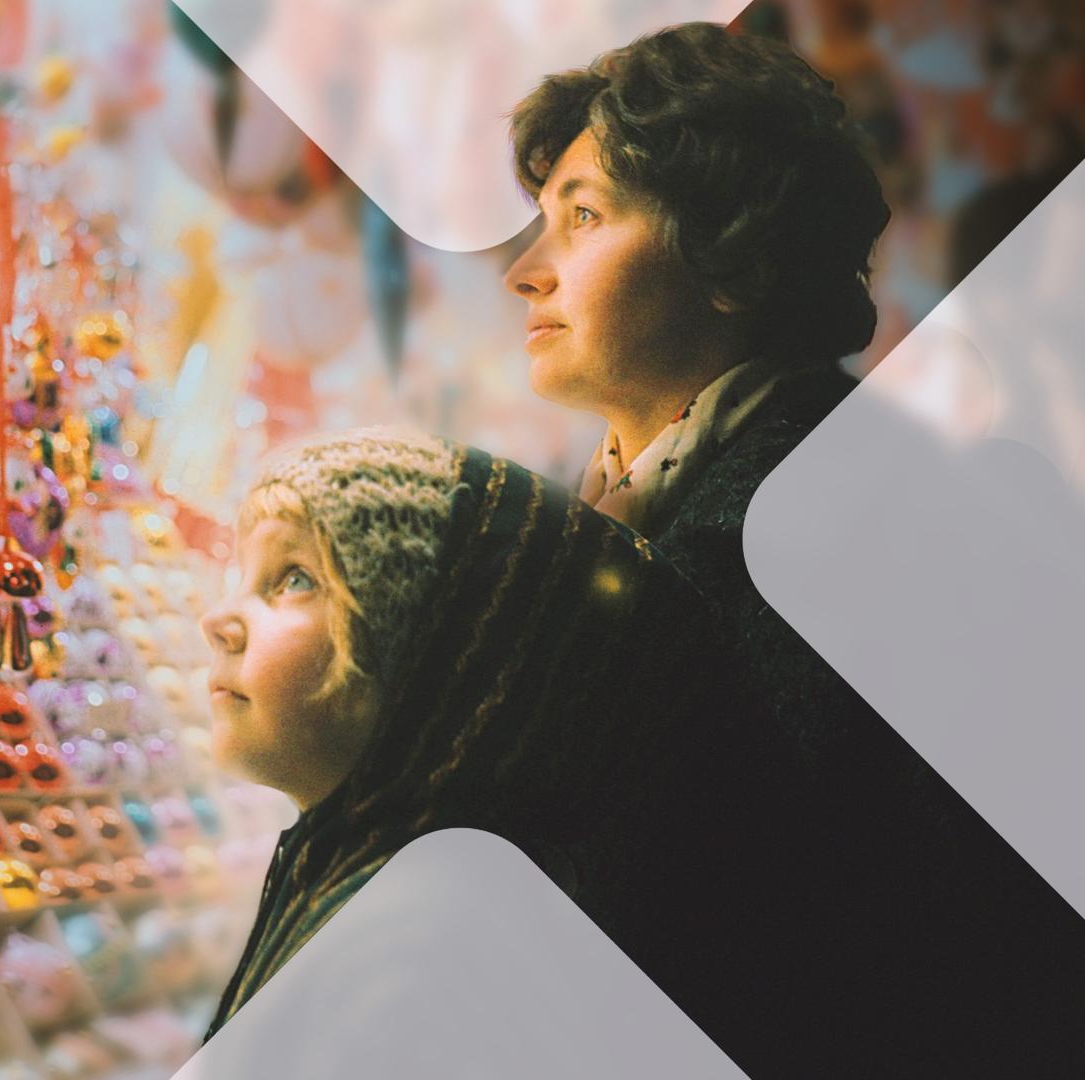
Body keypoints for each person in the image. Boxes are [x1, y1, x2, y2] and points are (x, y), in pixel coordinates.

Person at [501, 21, 1085, 1072]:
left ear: (731, 258)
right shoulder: (644, 519)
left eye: (582, 217)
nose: (526, 272)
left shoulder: (831, 533)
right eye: (540, 221)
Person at [198, 430, 812, 1067]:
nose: (217, 619)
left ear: (438, 658)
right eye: (241, 577)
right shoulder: (358, 877)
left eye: (294, 578)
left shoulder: (414, 964)